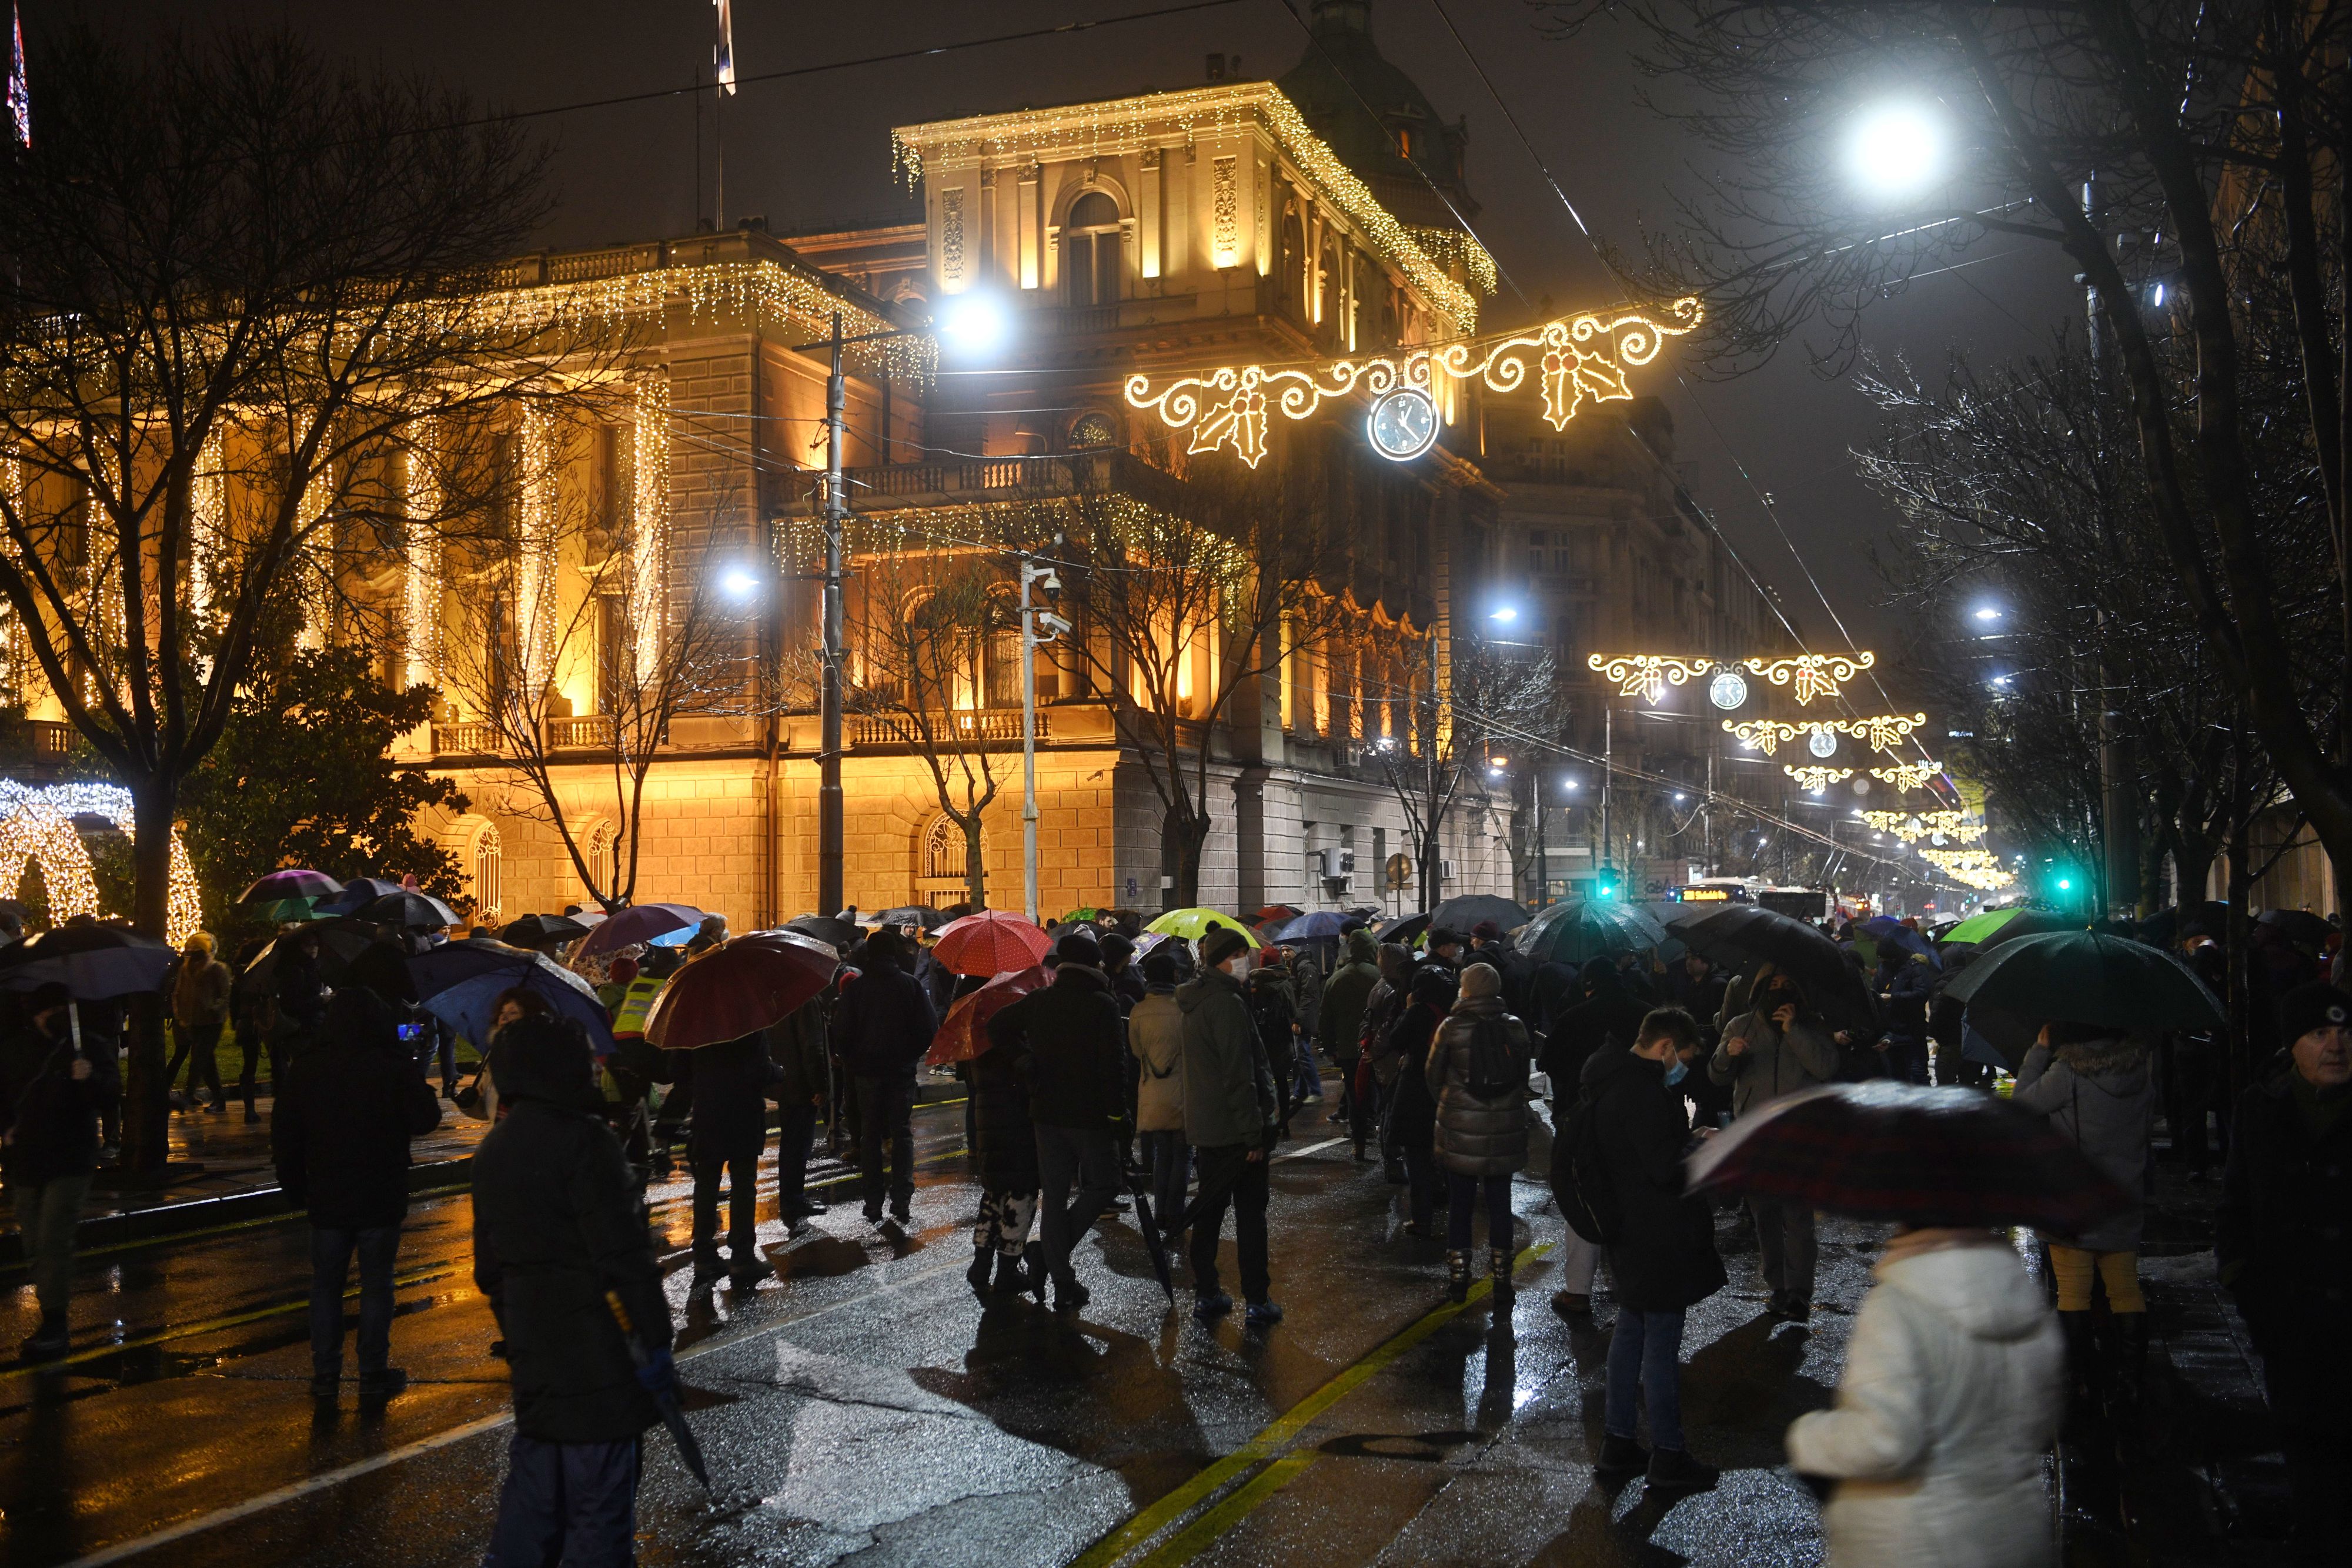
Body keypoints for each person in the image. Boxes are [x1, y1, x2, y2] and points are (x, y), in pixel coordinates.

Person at [475, 1015, 673, 1568]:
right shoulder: (587, 1142)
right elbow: (624, 1258)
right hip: (600, 1360)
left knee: (534, 1508)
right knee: (598, 1515)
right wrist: (656, 1340)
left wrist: (520, 1326)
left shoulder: (496, 1150)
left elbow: (489, 1268)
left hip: (537, 1357)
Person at [1785, 1222, 2063, 1567]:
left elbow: (1884, 1442)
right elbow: (2039, 1422)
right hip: (2011, 1533)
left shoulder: (1898, 1307)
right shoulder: (2026, 1305)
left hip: (1916, 1541)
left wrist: (1807, 1437)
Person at [2217, 981, 2352, 1560]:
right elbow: (2236, 1208)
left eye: (2345, 1033)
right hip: (2288, 1320)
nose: (2335, 1045)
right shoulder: (2259, 1110)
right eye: (2319, 1033)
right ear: (2292, 1046)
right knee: (2304, 1440)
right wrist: (2247, 1287)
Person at [1581, 1007, 1725, 1495]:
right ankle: (1668, 1453)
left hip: (1628, 1231)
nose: (1683, 1066)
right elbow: (1663, 1168)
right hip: (1658, 1234)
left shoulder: (1610, 1079)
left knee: (1631, 1334)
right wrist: (1699, 1150)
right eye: (1682, 1056)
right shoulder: (1642, 1093)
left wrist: (1685, 1139)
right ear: (1665, 1046)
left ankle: (1619, 1442)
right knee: (1660, 1348)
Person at [273, 984, 443, 1398]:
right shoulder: (392, 1064)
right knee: (377, 1282)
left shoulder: (309, 1066)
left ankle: (326, 1371)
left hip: (328, 1190)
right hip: (380, 1190)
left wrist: (296, 1187)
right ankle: (372, 1370)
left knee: (326, 1284)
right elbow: (425, 1119)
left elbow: (286, 1135)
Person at [2012, 1019, 2155, 1409]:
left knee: (2073, 1290)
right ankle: (2131, 1383)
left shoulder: (2067, 1072)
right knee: (2125, 1288)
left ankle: (2081, 1381)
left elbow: (2020, 1106)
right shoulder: (2141, 1069)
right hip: (2124, 1195)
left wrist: (2038, 1051)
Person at [989, 931, 1124, 1312]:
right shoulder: (1102, 1004)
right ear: (1094, 965)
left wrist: (1024, 1060)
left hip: (1046, 1112)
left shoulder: (1041, 1001)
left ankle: (1062, 1279)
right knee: (1103, 1185)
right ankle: (1049, 1260)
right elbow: (1114, 1067)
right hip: (1090, 1115)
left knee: (1056, 1196)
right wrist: (1119, 1116)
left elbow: (998, 1028)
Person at [1710, 970, 1842, 1320]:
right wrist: (1728, 1053)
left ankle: (1800, 1290)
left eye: (1787, 986)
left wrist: (1794, 1031)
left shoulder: (1813, 1025)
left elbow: (1826, 1067)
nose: (1779, 992)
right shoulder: (1741, 1025)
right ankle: (1778, 1287)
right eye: (1772, 986)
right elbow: (1717, 1075)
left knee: (1798, 1215)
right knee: (1764, 1214)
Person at [0, 984, 119, 1360]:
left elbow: (110, 1094)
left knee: (52, 1238)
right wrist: (6, 1127)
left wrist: (88, 1079)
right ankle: (52, 1310)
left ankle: (55, 1323)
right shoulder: (19, 1048)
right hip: (29, 1158)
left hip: (70, 1159)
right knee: (34, 1241)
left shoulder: (87, 1046)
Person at [1177, 927, 1282, 1325]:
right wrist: (1254, 1133)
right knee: (1250, 1216)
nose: (1246, 960)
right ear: (1220, 959)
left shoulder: (1197, 999)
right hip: (1236, 1132)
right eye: (1239, 953)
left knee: (1209, 1214)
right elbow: (1239, 1074)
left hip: (1208, 1128)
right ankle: (1256, 1298)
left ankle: (1208, 1292)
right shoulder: (1226, 1004)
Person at [1425, 962, 1531, 1302]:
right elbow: (1523, 1077)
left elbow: (1433, 1075)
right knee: (1501, 1205)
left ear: (1466, 988)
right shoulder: (1515, 1027)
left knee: (1461, 1205)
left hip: (1460, 1129)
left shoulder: (1451, 1027)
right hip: (1504, 1129)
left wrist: (1452, 1104)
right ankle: (1502, 1279)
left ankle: (1459, 1278)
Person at [832, 929, 936, 1226]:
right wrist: (910, 1056)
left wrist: (854, 1061)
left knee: (870, 1136)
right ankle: (901, 1201)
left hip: (866, 1074)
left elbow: (842, 1033)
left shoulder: (856, 989)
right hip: (900, 1072)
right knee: (901, 1134)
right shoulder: (910, 985)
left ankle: (873, 1203)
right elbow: (929, 1028)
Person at [686, 1025, 786, 1291]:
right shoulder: (747, 1024)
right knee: (743, 1185)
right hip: (742, 1114)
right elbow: (757, 1071)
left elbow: (676, 1070)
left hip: (707, 1113)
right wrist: (777, 1071)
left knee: (706, 1184)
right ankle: (742, 1255)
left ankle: (704, 1255)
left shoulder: (694, 1024)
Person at [967, 975, 1045, 1303]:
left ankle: (981, 1264)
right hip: (1017, 1128)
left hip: (989, 1125)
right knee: (1020, 1197)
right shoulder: (1015, 1047)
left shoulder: (981, 1040)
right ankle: (1008, 1270)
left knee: (994, 1194)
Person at [1378, 966, 1455, 1236]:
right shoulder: (1453, 1011)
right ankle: (1456, 1215)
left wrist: (1408, 1009)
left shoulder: (1419, 1011)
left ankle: (1422, 1219)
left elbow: (1396, 1039)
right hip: (1448, 1091)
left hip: (1416, 1090)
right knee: (1449, 1158)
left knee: (1417, 1158)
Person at [1130, 948, 1189, 1243]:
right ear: (1174, 976)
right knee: (1183, 1153)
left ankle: (1160, 1211)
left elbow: (1136, 1052)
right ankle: (1175, 1212)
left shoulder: (1139, 1011)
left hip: (1152, 1091)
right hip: (1182, 1092)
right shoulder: (1183, 1010)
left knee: (1161, 1154)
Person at [768, 992, 831, 1235]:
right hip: (801, 1084)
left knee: (790, 1143)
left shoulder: (780, 999)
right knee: (798, 1144)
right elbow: (812, 1045)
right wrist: (820, 1085)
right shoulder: (806, 1001)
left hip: (785, 1081)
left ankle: (791, 1196)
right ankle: (793, 1199)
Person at [1320, 928, 1382, 1135]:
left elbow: (1326, 1017)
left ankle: (1357, 1128)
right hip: (1374, 1044)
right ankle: (1370, 1123)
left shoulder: (1336, 979)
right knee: (1372, 1085)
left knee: (1353, 1089)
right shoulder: (1378, 977)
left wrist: (1329, 1046)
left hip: (1347, 1046)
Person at [1361, 942, 1416, 1169]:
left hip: (1382, 1056)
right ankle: (1393, 1162)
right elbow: (1388, 1026)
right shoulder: (1394, 989)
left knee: (1388, 1108)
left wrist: (1367, 1048)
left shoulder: (1380, 985)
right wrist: (1375, 1050)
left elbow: (1368, 1021)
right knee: (1392, 1109)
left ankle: (1391, 1158)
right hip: (1390, 1057)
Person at [168, 931, 232, 1114]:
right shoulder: (186, 970)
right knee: (206, 1062)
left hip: (212, 1023)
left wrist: (215, 1009)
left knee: (199, 1058)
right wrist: (181, 1015)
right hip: (194, 1022)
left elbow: (225, 994)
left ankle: (188, 1096)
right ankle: (219, 1099)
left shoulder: (217, 969)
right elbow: (178, 993)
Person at [1244, 948, 1300, 1129]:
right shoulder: (1284, 984)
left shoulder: (1252, 984)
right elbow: (1292, 1010)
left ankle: (1263, 1123)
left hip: (1259, 1037)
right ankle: (1284, 1122)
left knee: (1260, 1081)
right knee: (1282, 1081)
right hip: (1281, 1037)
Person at [1875, 947, 1936, 1084]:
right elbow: (1876, 990)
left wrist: (1893, 997)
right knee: (1897, 1077)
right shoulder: (1884, 969)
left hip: (1913, 1032)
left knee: (1917, 1074)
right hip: (1892, 1032)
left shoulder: (1915, 969)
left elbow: (1922, 993)